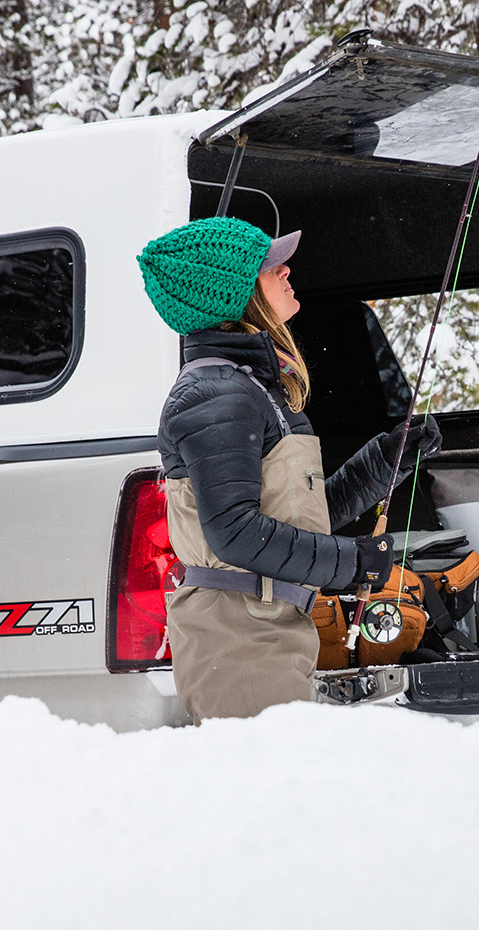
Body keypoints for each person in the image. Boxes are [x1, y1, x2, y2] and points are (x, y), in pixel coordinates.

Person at [137, 216, 440, 723]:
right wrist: (352, 563)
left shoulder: (249, 388)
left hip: (268, 626)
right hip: (238, 638)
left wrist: (387, 460)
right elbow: (235, 533)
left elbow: (296, 516)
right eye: (268, 264)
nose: (285, 269)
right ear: (233, 293)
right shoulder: (216, 393)